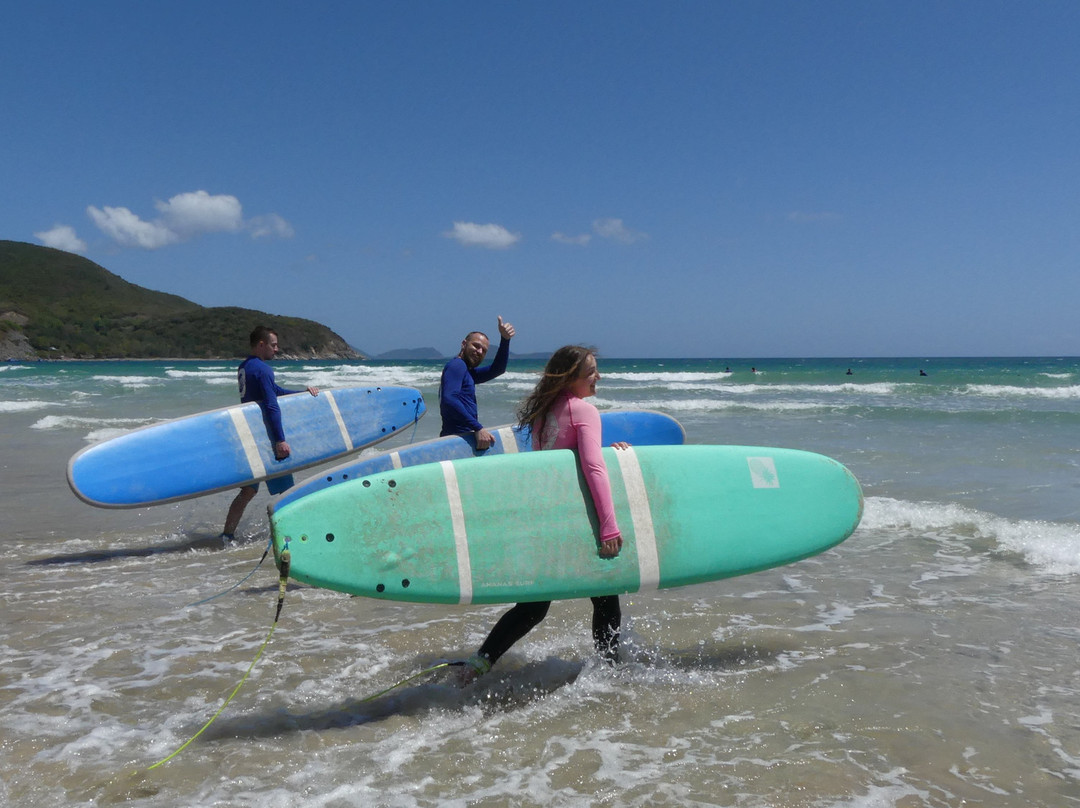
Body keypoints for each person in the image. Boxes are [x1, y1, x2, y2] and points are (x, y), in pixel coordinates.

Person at [458, 345, 630, 683]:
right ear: (572, 377)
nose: (598, 377)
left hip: (548, 519)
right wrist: (608, 527)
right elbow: (592, 468)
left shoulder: (544, 412)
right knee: (605, 597)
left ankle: (479, 664)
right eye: (591, 371)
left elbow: (558, 462)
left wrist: (609, 452)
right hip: (577, 521)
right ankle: (610, 671)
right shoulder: (584, 411)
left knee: (534, 606)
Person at [221, 326, 319, 541]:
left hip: (251, 438)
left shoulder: (245, 367)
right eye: (273, 345)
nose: (277, 349)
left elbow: (275, 393)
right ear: (261, 344)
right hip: (267, 439)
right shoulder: (263, 370)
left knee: (247, 492)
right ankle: (291, 535)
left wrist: (302, 395)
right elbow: (272, 406)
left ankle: (227, 535)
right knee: (287, 493)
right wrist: (280, 440)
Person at [439, 316, 515, 449]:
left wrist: (505, 340)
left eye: (484, 350)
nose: (479, 351)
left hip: (463, 438)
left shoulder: (468, 373)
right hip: (455, 439)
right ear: (464, 344)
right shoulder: (457, 365)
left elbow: (497, 369)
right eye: (476, 346)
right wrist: (478, 428)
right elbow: (449, 398)